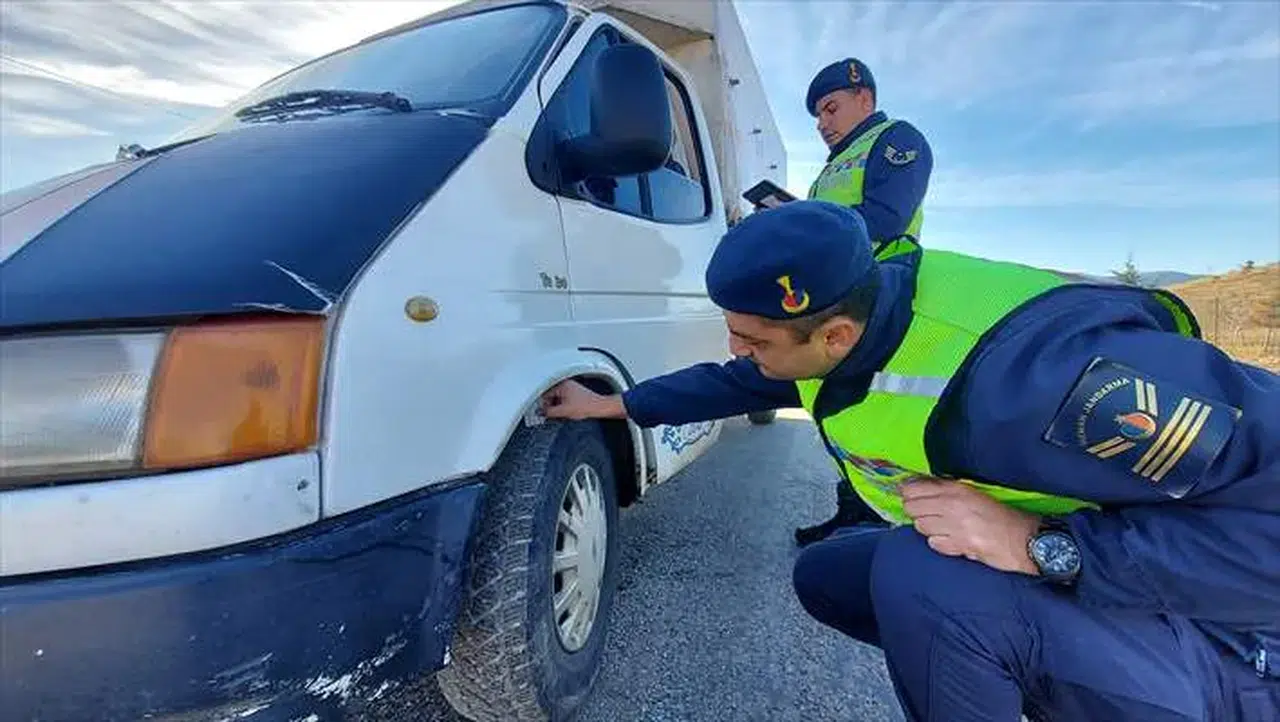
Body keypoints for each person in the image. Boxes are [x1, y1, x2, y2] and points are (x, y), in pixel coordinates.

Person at [539, 200, 1280, 721]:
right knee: (832, 575)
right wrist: (614, 405)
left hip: (1229, 642)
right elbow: (742, 380)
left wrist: (1040, 545)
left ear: (833, 337)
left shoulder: (1055, 380)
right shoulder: (862, 312)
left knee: (919, 576)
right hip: (1128, 591)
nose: (738, 349)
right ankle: (1043, 674)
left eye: (753, 339)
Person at [794, 57, 936, 546]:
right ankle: (854, 512)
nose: (822, 123)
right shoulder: (830, 168)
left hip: (884, 290)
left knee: (875, 410)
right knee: (840, 411)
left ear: (864, 98)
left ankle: (887, 524)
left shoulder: (896, 139)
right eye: (817, 116)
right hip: (839, 294)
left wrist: (805, 224)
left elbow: (887, 216)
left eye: (830, 108)